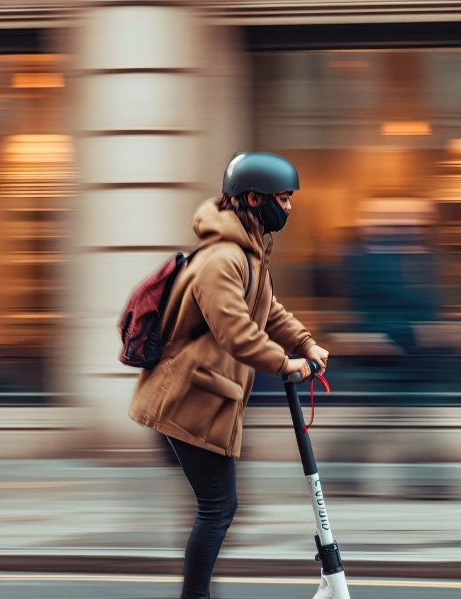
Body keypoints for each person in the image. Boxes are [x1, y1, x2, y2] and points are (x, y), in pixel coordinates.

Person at [129, 152, 330, 599]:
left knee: (217, 507)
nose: (288, 207)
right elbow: (235, 331)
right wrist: (284, 363)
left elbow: (267, 310)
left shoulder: (249, 254)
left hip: (205, 397)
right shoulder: (222, 259)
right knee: (217, 507)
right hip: (185, 401)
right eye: (282, 198)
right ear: (254, 199)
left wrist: (305, 343)